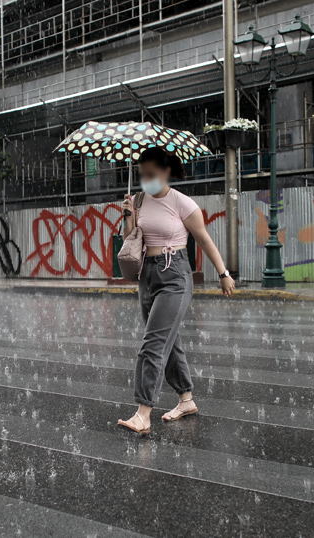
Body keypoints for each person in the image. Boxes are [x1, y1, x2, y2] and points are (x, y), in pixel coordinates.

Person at [117, 147, 235, 435]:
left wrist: (223, 273)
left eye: (151, 175)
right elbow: (131, 238)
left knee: (153, 343)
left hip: (175, 276)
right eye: (142, 175)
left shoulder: (183, 204)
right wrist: (128, 216)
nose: (146, 180)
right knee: (169, 341)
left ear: (166, 171)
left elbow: (204, 240)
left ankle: (143, 413)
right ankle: (186, 400)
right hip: (147, 275)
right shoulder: (139, 199)